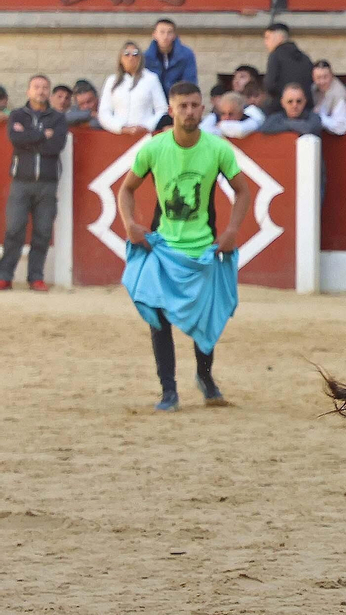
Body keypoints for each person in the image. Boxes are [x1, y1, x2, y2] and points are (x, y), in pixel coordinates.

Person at [116, 81, 257, 410]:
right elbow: (126, 190)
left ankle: (205, 379)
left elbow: (243, 191)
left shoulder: (217, 148)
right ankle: (169, 390)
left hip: (203, 249)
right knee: (158, 319)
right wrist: (130, 225)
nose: (189, 112)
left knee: (206, 320)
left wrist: (233, 230)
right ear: (171, 110)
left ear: (203, 108)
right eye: (183, 106)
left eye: (195, 105)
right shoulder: (153, 148)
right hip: (163, 248)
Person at [1, 76, 67, 292]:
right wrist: (41, 135)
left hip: (47, 183)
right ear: (28, 91)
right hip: (21, 181)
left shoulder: (57, 118)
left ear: (49, 92)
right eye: (36, 87)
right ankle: (4, 276)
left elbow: (55, 146)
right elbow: (16, 141)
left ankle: (35, 277)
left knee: (43, 231)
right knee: (14, 229)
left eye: (45, 87)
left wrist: (30, 138)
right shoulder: (18, 115)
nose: (41, 91)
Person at [100, 41, 170, 134]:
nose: (131, 58)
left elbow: (162, 110)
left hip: (144, 135)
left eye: (135, 54)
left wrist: (147, 127)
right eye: (126, 54)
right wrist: (120, 128)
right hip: (118, 135)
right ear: (121, 58)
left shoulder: (151, 79)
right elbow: (104, 112)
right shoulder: (112, 81)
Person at [144, 17, 198, 93]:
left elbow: (190, 82)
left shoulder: (186, 55)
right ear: (154, 35)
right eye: (162, 32)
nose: (165, 37)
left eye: (169, 32)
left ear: (174, 35)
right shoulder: (146, 57)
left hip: (179, 99)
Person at [263, 22, 313, 102]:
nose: (265, 43)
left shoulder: (275, 55)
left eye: (267, 38)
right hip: (305, 105)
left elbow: (270, 84)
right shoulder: (305, 57)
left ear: (280, 37)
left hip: (280, 106)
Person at [259, 83, 325, 135]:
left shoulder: (314, 117)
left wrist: (287, 124)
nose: (294, 105)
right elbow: (264, 129)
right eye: (290, 101)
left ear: (305, 101)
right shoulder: (276, 118)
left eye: (299, 101)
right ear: (282, 103)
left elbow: (308, 129)